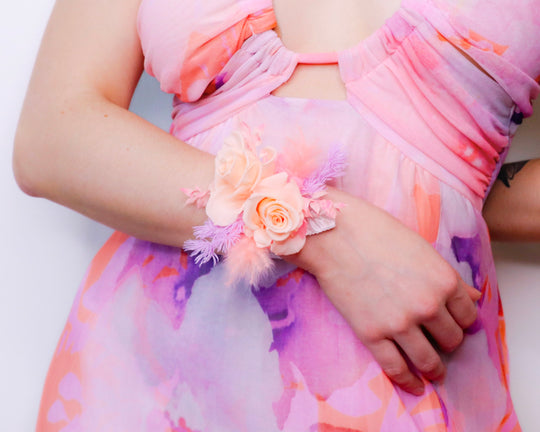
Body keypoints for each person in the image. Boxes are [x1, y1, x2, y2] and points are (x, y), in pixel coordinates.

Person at [13, 0, 540, 430]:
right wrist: (328, 232)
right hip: (164, 384)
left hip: (405, 368)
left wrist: (439, 201)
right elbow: (52, 140)